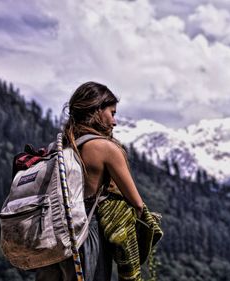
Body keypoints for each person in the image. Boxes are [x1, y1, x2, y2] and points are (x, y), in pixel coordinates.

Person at [36, 81, 145, 281]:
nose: (114, 122)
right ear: (97, 110)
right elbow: (138, 204)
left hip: (52, 237)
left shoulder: (61, 147)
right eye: (112, 113)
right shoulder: (106, 148)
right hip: (86, 233)